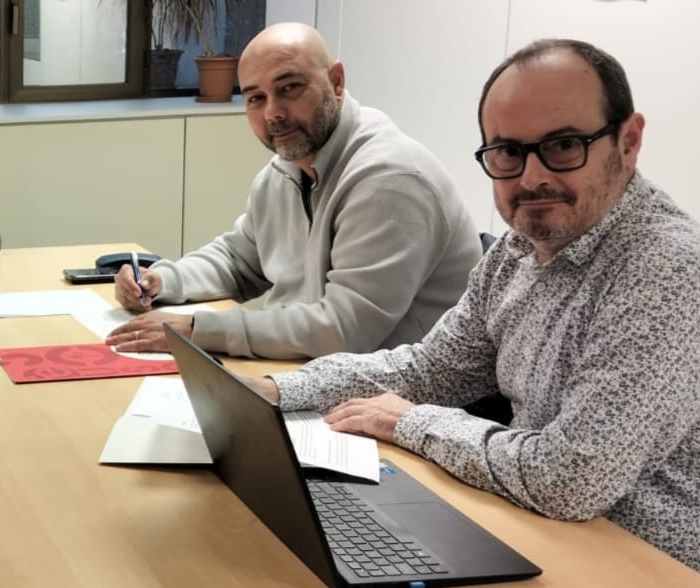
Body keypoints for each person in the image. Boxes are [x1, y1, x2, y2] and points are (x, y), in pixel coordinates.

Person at [248, 39, 700, 586]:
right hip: (551, 536)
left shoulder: (666, 269)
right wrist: (278, 390)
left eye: (564, 146)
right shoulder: (520, 247)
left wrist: (411, 422)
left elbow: (570, 479)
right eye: (507, 153)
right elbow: (431, 371)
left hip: (669, 585)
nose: (531, 178)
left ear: (629, 141)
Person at [107, 22, 480, 360]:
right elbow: (239, 261)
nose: (273, 112)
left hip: (398, 397)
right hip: (319, 376)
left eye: (289, 88)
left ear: (336, 82)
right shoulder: (285, 170)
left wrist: (196, 330)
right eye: (255, 98)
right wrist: (161, 281)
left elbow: (342, 330)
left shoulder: (391, 179)